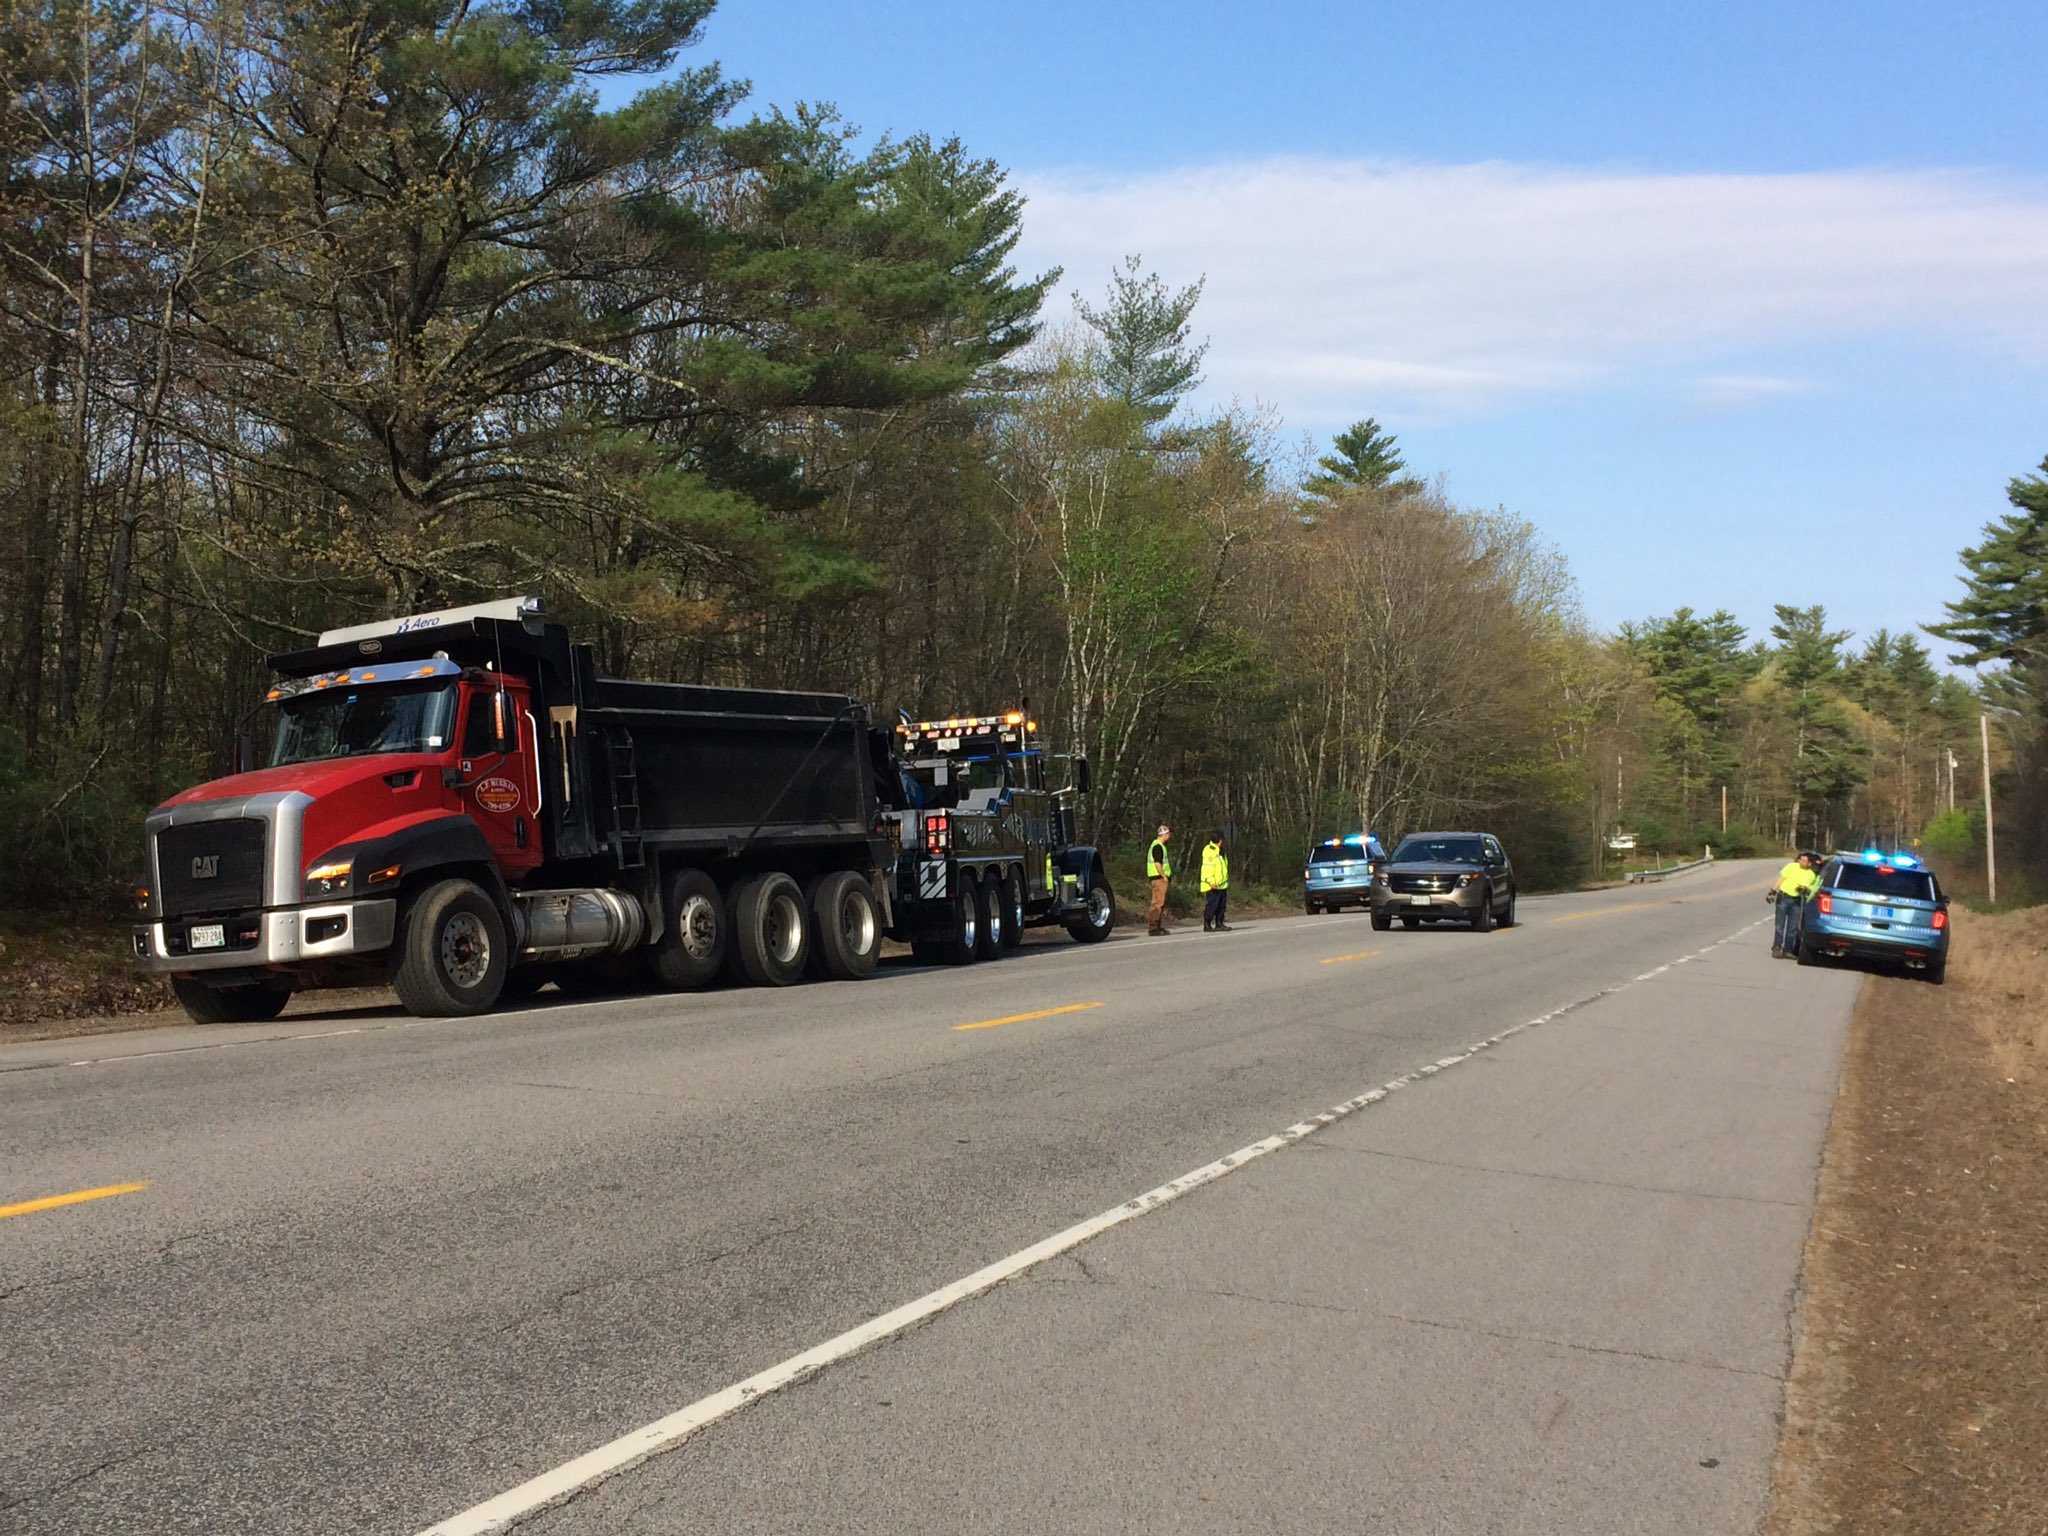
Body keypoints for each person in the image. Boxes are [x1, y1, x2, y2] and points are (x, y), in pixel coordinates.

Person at [1770, 851, 1818, 957]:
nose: (1801, 861)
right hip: (1783, 897)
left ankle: (1788, 950)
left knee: (1793, 928)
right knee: (1779, 926)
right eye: (1801, 859)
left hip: (1796, 901)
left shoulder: (1811, 875)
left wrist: (1804, 889)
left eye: (1805, 861)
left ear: (1810, 863)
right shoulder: (1791, 866)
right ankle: (1777, 947)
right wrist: (1772, 891)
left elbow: (1810, 889)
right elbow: (1781, 879)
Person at [1200, 833, 1232, 932]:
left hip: (1222, 884)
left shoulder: (1221, 851)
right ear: (1219, 840)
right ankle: (1207, 924)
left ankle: (1219, 923)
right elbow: (1207, 868)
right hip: (1213, 885)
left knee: (1221, 906)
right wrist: (1211, 881)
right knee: (1212, 905)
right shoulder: (1209, 850)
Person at [1146, 824, 1173, 936]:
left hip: (1158, 877)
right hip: (1158, 878)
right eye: (1168, 834)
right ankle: (1153, 928)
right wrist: (1164, 876)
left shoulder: (1159, 845)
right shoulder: (1157, 846)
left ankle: (1157, 926)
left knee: (1159, 902)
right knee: (1158, 903)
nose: (1170, 836)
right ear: (1164, 834)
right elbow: (1157, 863)